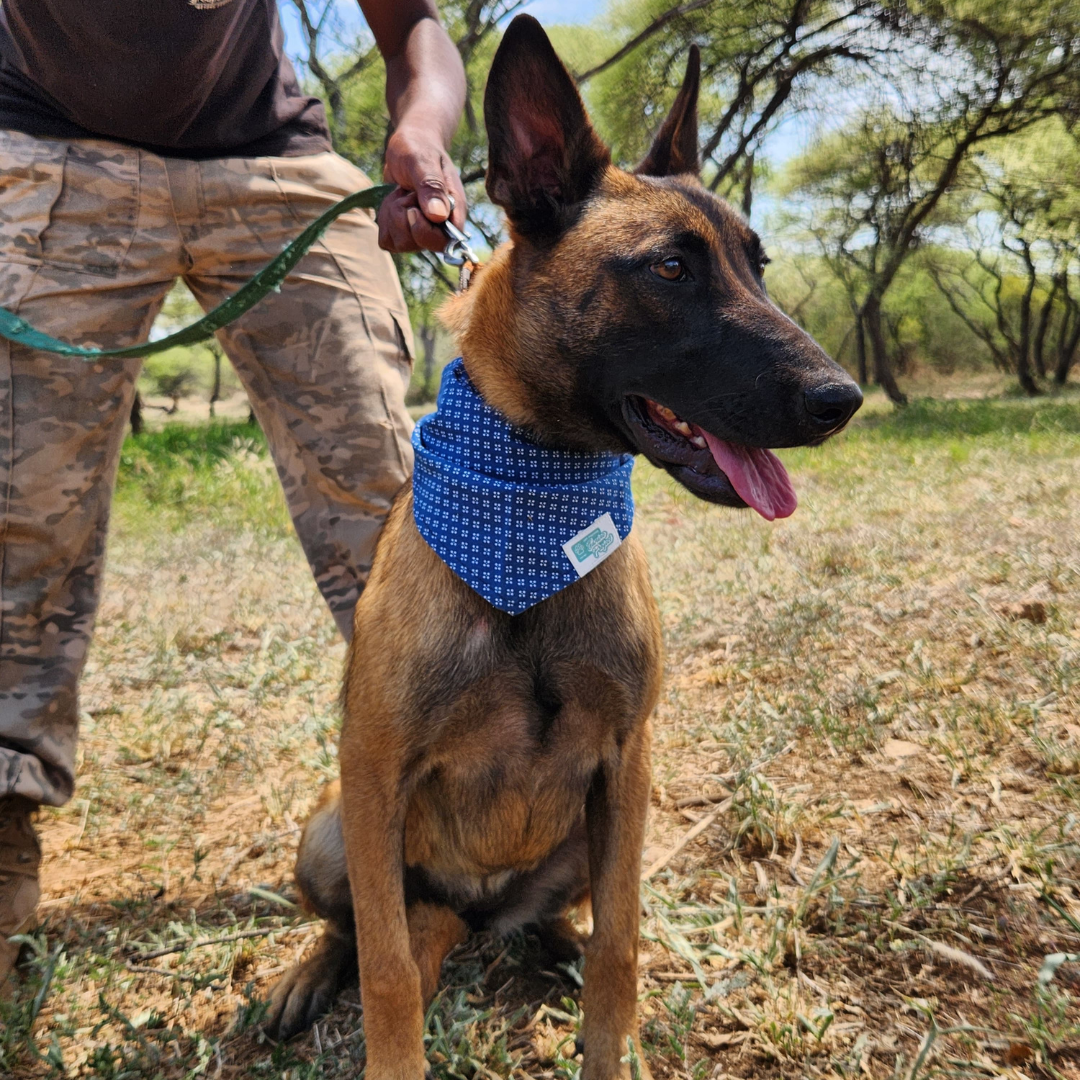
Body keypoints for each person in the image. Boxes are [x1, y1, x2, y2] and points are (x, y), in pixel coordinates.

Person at [0, 0, 467, 988]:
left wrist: (419, 132)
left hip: (272, 161)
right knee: (18, 508)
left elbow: (414, 27)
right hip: (42, 142)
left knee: (400, 505)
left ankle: (470, 802)